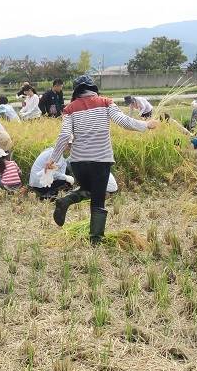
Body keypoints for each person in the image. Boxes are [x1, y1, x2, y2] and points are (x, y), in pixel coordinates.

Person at [46, 74, 157, 244]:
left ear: (77, 91)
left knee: (88, 189)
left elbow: (64, 136)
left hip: (78, 162)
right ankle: (96, 239)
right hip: (101, 160)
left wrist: (53, 158)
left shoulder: (69, 109)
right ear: (93, 89)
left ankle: (66, 200)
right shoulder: (105, 102)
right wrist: (145, 125)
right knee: (98, 198)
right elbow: (123, 120)